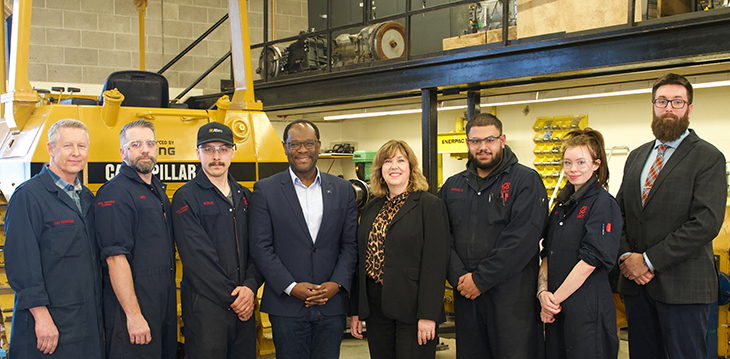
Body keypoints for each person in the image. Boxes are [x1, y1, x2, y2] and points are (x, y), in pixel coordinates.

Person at [616, 73, 727, 359]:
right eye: (662, 101)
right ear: (652, 106)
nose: (669, 108)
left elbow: (706, 223)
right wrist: (627, 256)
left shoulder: (708, 157)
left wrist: (649, 261)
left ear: (689, 109)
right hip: (637, 288)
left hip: (684, 290)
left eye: (677, 102)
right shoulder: (637, 157)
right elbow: (620, 214)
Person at [438, 113, 547, 359]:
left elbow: (522, 240)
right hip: (466, 294)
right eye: (476, 141)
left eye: (490, 139)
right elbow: (442, 237)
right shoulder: (453, 186)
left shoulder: (525, 181)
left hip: (511, 297)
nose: (483, 147)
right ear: (467, 143)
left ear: (502, 140)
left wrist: (481, 279)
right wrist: (459, 277)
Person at [250, 119, 358, 359]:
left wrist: (336, 284)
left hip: (331, 305)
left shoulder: (342, 190)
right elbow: (261, 246)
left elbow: (350, 245)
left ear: (318, 146)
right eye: (295, 144)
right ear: (285, 147)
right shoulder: (265, 190)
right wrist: (291, 287)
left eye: (308, 143)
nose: (302, 150)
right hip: (286, 306)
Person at [4, 119, 104, 358]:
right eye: (68, 145)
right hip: (49, 323)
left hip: (85, 321)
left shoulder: (87, 198)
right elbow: (22, 264)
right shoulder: (28, 197)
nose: (76, 153)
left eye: (82, 146)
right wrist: (41, 317)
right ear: (51, 149)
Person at [349, 140, 450, 359]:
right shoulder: (371, 207)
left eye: (400, 161)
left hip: (413, 309)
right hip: (376, 308)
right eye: (387, 162)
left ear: (411, 168)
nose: (394, 166)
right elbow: (360, 260)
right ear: (380, 170)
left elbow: (435, 264)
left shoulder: (429, 206)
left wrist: (428, 315)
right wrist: (356, 310)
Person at [171, 122, 264, 359]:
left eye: (222, 149)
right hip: (206, 308)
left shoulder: (246, 196)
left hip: (244, 304)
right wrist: (235, 298)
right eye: (209, 149)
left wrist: (251, 287)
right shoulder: (186, 197)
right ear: (197, 153)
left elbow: (259, 248)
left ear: (232, 152)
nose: (216, 156)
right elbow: (197, 259)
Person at [94, 119, 177, 359]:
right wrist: (133, 315)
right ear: (122, 152)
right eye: (136, 144)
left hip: (162, 306)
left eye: (150, 143)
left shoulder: (157, 189)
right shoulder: (114, 193)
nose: (145, 150)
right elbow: (115, 259)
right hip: (133, 312)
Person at [538, 128, 622, 359]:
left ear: (596, 164)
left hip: (587, 310)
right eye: (567, 162)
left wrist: (553, 300)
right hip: (557, 307)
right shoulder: (561, 205)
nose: (573, 169)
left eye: (580, 162)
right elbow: (547, 253)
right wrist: (543, 294)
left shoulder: (604, 204)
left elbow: (589, 262)